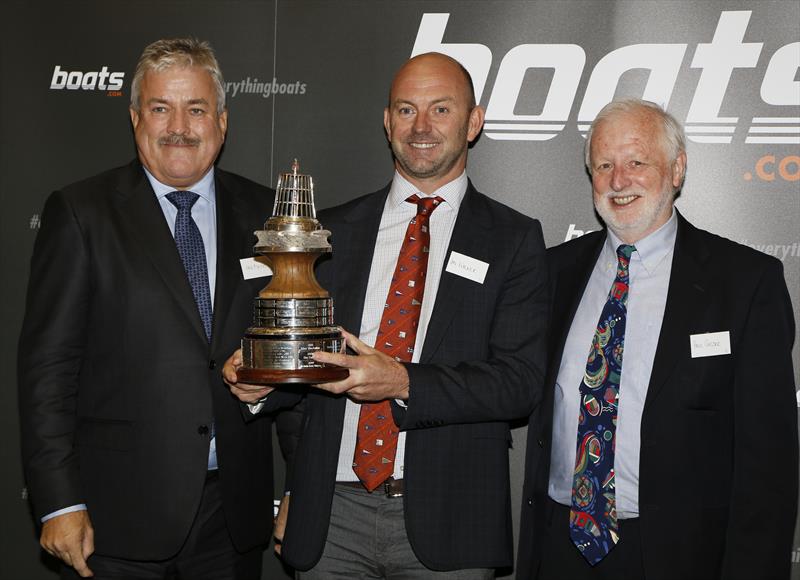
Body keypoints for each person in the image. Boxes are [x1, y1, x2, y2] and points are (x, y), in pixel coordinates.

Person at [225, 52, 548, 578]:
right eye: (406, 109)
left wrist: (401, 382)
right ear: (386, 121)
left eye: (441, 109)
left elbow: (519, 382)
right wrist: (262, 386)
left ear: (474, 123)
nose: (421, 126)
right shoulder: (332, 231)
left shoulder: (512, 239)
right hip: (332, 520)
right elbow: (310, 370)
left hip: (450, 519)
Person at [18, 38, 295, 579]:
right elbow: (47, 371)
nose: (178, 127)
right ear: (134, 117)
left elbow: (297, 360)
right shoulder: (81, 213)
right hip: (115, 519)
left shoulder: (270, 215)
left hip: (233, 518)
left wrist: (303, 489)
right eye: (160, 108)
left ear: (221, 120)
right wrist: (58, 501)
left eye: (195, 109)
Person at [517, 98, 798, 580]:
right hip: (559, 546)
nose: (619, 180)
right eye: (604, 165)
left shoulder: (745, 282)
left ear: (677, 169)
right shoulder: (551, 272)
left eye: (636, 162)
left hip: (678, 554)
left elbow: (768, 461)